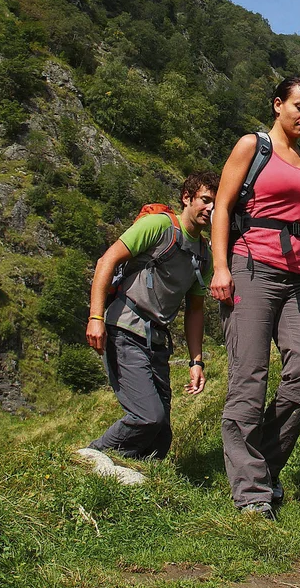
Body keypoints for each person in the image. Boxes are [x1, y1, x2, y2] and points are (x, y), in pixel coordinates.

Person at [210, 75, 300, 518]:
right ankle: (252, 495)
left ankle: (261, 463)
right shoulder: (253, 145)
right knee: (250, 378)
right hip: (250, 266)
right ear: (278, 104)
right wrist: (221, 267)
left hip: (299, 275)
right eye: (299, 106)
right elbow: (223, 206)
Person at [83, 172, 217, 461]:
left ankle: (131, 480)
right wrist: (95, 317)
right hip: (124, 328)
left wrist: (197, 361)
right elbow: (107, 260)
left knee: (160, 437)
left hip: (156, 340)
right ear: (187, 198)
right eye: (205, 200)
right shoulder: (158, 226)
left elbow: (194, 310)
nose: (210, 209)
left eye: (216, 204)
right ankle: (89, 458)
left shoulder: (204, 254)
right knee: (147, 418)